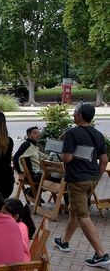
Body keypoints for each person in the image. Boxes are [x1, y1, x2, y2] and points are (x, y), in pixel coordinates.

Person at [53, 103, 109, 267]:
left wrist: (60, 150)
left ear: (79, 115)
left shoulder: (72, 133)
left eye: (75, 112)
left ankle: (101, 254)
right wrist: (96, 178)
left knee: (83, 216)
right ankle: (64, 241)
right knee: (74, 211)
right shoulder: (98, 134)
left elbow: (67, 158)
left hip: (77, 180)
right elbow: (104, 160)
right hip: (91, 179)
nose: (73, 115)